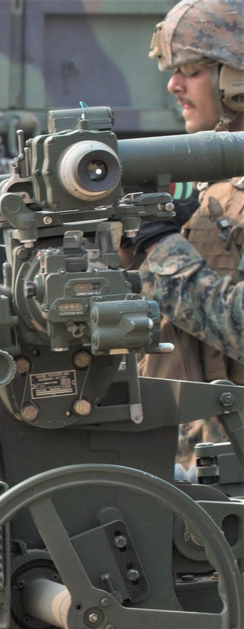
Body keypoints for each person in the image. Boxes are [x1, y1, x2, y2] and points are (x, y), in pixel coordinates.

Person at [123, 0, 244, 473]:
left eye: (190, 70)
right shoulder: (215, 185)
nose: (174, 85)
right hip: (200, 464)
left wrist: (161, 249)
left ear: (235, 80)